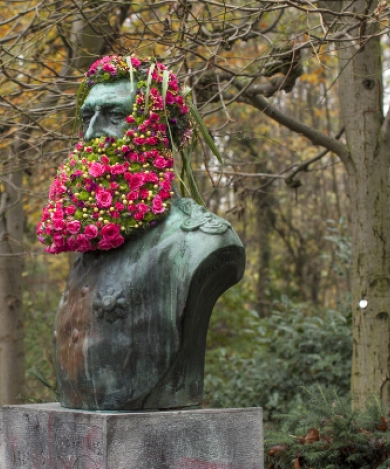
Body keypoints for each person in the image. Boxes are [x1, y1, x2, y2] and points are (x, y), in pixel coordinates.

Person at [37, 56, 245, 410]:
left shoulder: (200, 241)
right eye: (87, 117)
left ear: (159, 131)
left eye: (115, 115)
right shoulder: (92, 243)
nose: (91, 133)